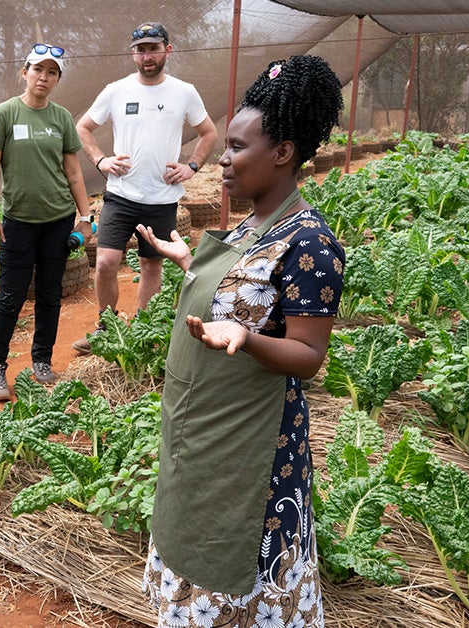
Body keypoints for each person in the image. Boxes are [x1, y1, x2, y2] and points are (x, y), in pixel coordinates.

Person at [136, 55, 344, 625]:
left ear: (282, 153)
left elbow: (308, 356)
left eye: (236, 147)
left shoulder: (310, 243)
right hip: (202, 435)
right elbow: (238, 295)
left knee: (236, 575)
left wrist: (248, 340)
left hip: (251, 451)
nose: (222, 160)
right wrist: (189, 266)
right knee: (190, 549)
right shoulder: (254, 224)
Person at [73, 21, 218, 354]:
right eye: (141, 50)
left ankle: (143, 330)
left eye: (153, 48)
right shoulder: (116, 90)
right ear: (133, 53)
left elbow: (209, 132)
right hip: (121, 195)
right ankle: (106, 329)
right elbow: (83, 127)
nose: (147, 56)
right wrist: (100, 161)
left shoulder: (184, 92)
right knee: (107, 262)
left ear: (167, 49)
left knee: (151, 265)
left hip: (162, 199)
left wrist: (192, 166)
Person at [0, 43, 92, 401]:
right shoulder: (5, 114)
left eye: (52, 72)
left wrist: (86, 217)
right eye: (37, 70)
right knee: (10, 296)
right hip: (18, 222)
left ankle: (41, 360)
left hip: (58, 221)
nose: (43, 77)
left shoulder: (60, 118)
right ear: (24, 71)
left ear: (57, 78)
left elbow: (73, 172)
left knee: (49, 294)